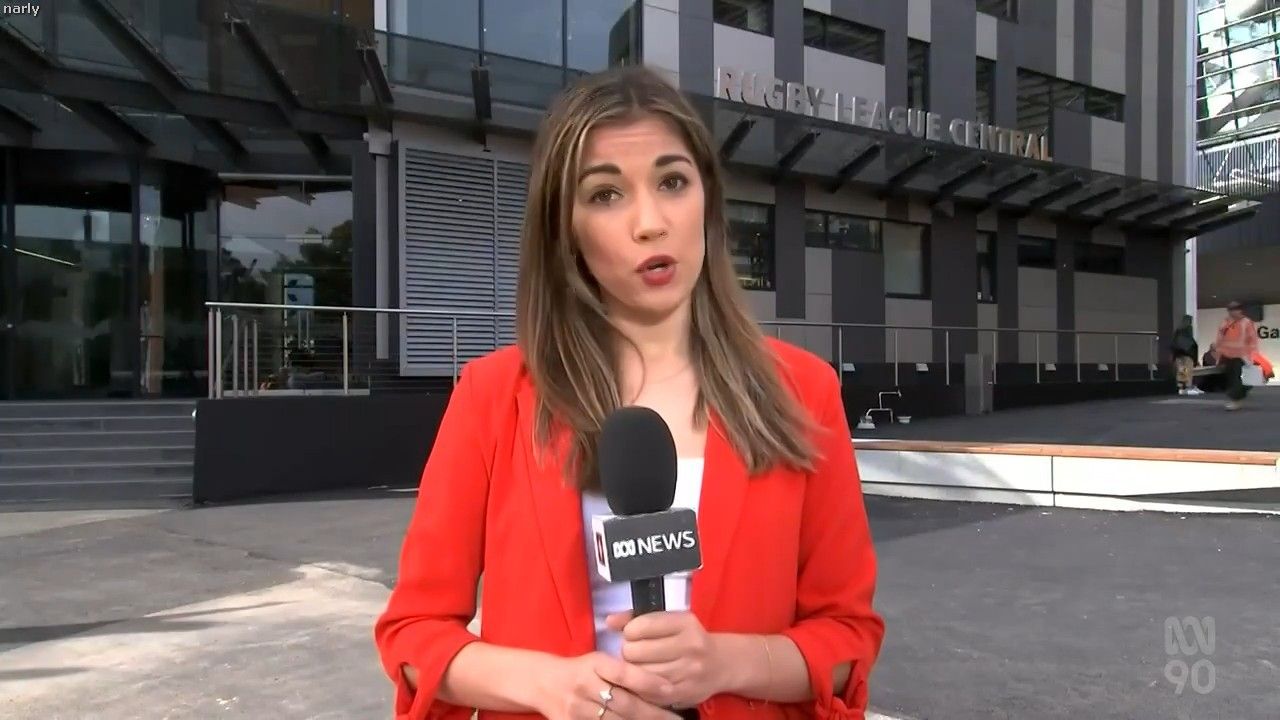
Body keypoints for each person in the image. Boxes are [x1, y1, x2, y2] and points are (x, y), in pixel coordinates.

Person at [374, 65, 885, 720]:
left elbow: (847, 640)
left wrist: (723, 662)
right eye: (606, 194)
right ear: (566, 229)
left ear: (708, 200)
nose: (650, 222)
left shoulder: (803, 391)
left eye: (672, 182)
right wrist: (549, 686)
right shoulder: (493, 395)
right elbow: (413, 636)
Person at [1213, 300, 1260, 410]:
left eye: (1235, 310)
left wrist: (1251, 355)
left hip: (1241, 356)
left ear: (1240, 310)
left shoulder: (1246, 322)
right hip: (1226, 355)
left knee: (1237, 379)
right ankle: (1237, 398)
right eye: (1230, 310)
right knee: (1231, 379)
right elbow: (1219, 339)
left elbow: (1252, 339)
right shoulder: (1225, 323)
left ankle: (1236, 400)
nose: (1232, 312)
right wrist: (1218, 355)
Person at [1169, 315, 1200, 395]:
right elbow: (1190, 342)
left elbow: (1174, 343)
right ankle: (1187, 387)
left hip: (1179, 354)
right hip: (1187, 354)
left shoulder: (1178, 330)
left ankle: (1181, 387)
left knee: (1182, 370)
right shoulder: (1188, 329)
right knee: (1187, 370)